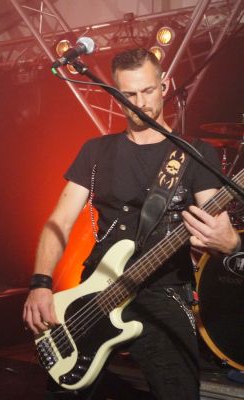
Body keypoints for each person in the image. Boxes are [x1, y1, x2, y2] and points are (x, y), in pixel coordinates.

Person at [23, 48, 240, 399]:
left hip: (164, 290)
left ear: (164, 86)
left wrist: (229, 243)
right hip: (96, 290)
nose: (140, 103)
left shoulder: (196, 153)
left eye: (148, 91)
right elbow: (59, 222)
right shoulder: (96, 151)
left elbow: (217, 227)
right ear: (115, 95)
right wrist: (40, 283)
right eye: (129, 95)